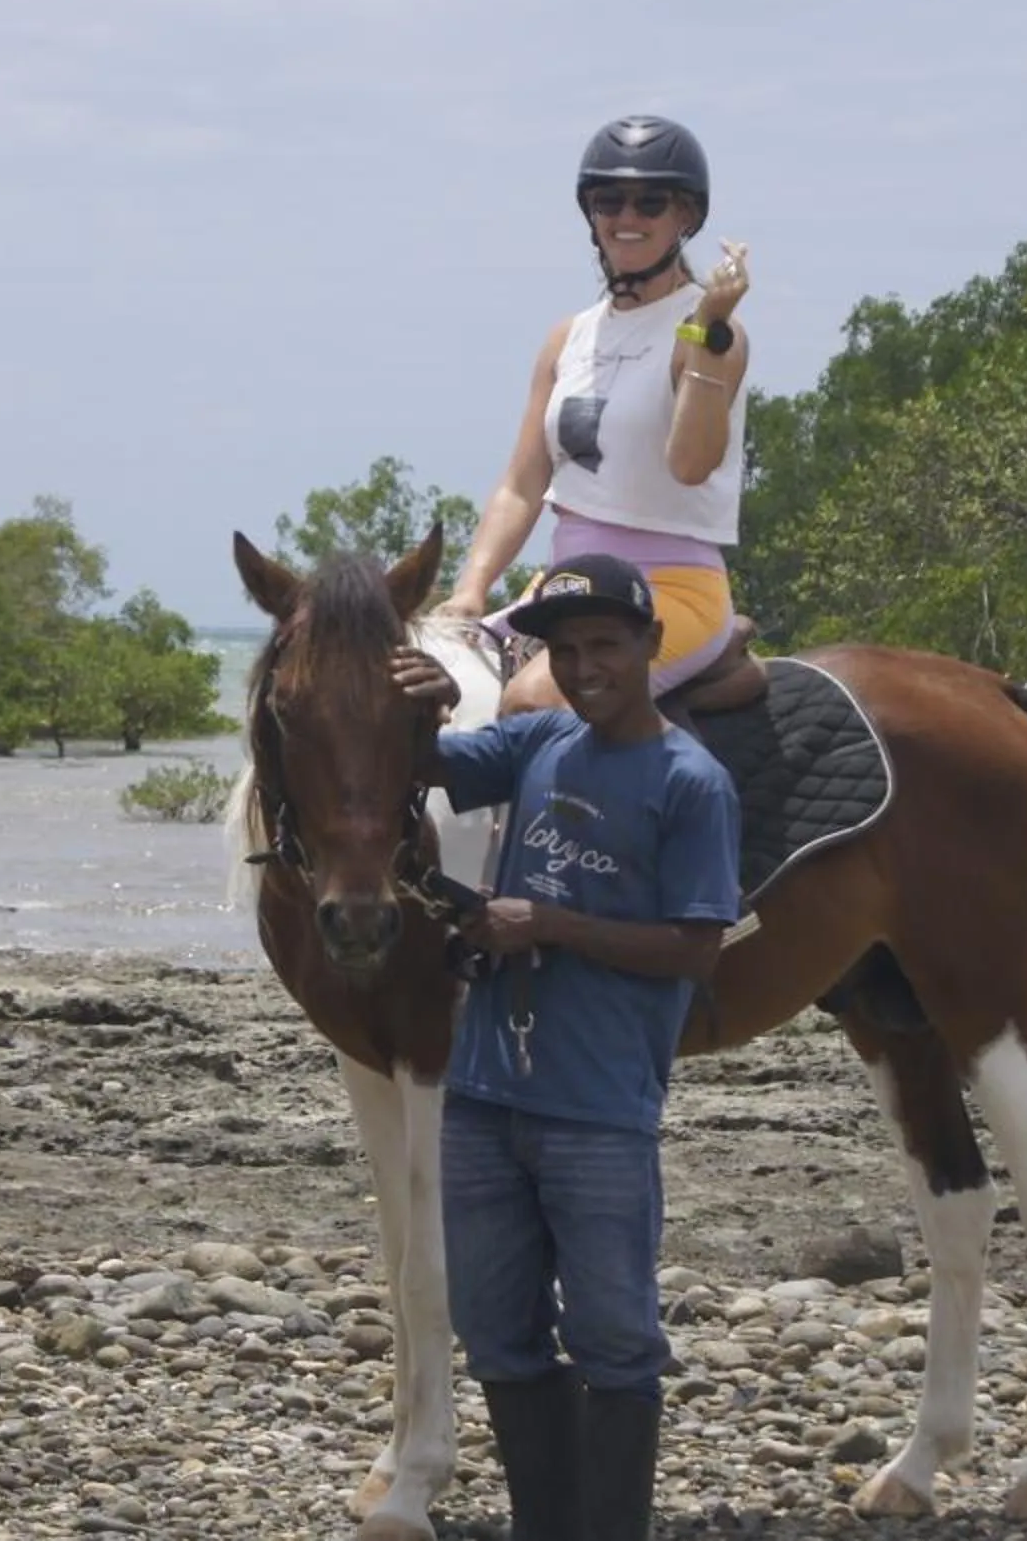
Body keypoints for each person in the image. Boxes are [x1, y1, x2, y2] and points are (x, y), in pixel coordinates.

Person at [390, 555, 742, 1541]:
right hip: (482, 1098)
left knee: (616, 1340)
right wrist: (417, 702)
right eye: (565, 650)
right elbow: (427, 767)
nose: (584, 668)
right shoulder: (540, 738)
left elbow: (697, 948)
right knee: (496, 1333)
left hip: (599, 1111)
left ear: (651, 644)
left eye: (604, 646)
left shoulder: (691, 782)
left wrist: (546, 923)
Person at [436, 115, 757, 715]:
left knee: (536, 702)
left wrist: (708, 327)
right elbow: (522, 485)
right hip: (569, 585)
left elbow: (691, 465)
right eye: (609, 200)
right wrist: (471, 590)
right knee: (427, 689)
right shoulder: (568, 338)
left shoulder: (711, 332)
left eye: (650, 202)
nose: (626, 216)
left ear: (686, 215)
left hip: (672, 588)